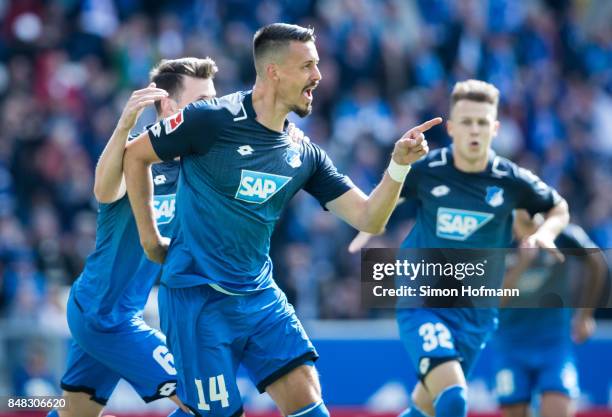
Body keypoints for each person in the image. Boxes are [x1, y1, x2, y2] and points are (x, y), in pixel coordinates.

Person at [123, 23, 441, 417]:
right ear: (274, 72)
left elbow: (369, 218)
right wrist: (149, 238)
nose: (318, 76)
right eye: (308, 65)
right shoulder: (210, 120)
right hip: (196, 300)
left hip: (259, 297)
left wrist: (398, 166)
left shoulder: (304, 154)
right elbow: (136, 155)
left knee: (310, 404)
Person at [350, 79, 569, 417]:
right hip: (424, 300)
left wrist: (546, 234)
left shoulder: (510, 180)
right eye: (466, 122)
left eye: (482, 122)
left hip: (477, 314)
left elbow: (559, 207)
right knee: (453, 398)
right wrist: (375, 210)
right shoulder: (427, 170)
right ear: (451, 128)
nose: (474, 130)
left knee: (425, 409)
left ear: (495, 128)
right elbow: (380, 204)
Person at [49, 57, 218, 417]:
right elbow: (103, 190)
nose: (213, 109)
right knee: (206, 401)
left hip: (117, 314)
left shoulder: (197, 167)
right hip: (102, 314)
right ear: (169, 105)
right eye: (203, 101)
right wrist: (126, 123)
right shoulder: (135, 157)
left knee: (72, 415)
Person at [493, 210, 606, 417]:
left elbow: (597, 260)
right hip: (511, 344)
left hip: (554, 343)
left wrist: (585, 315)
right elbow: (494, 300)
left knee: (557, 408)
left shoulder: (561, 236)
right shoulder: (498, 241)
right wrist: (522, 263)